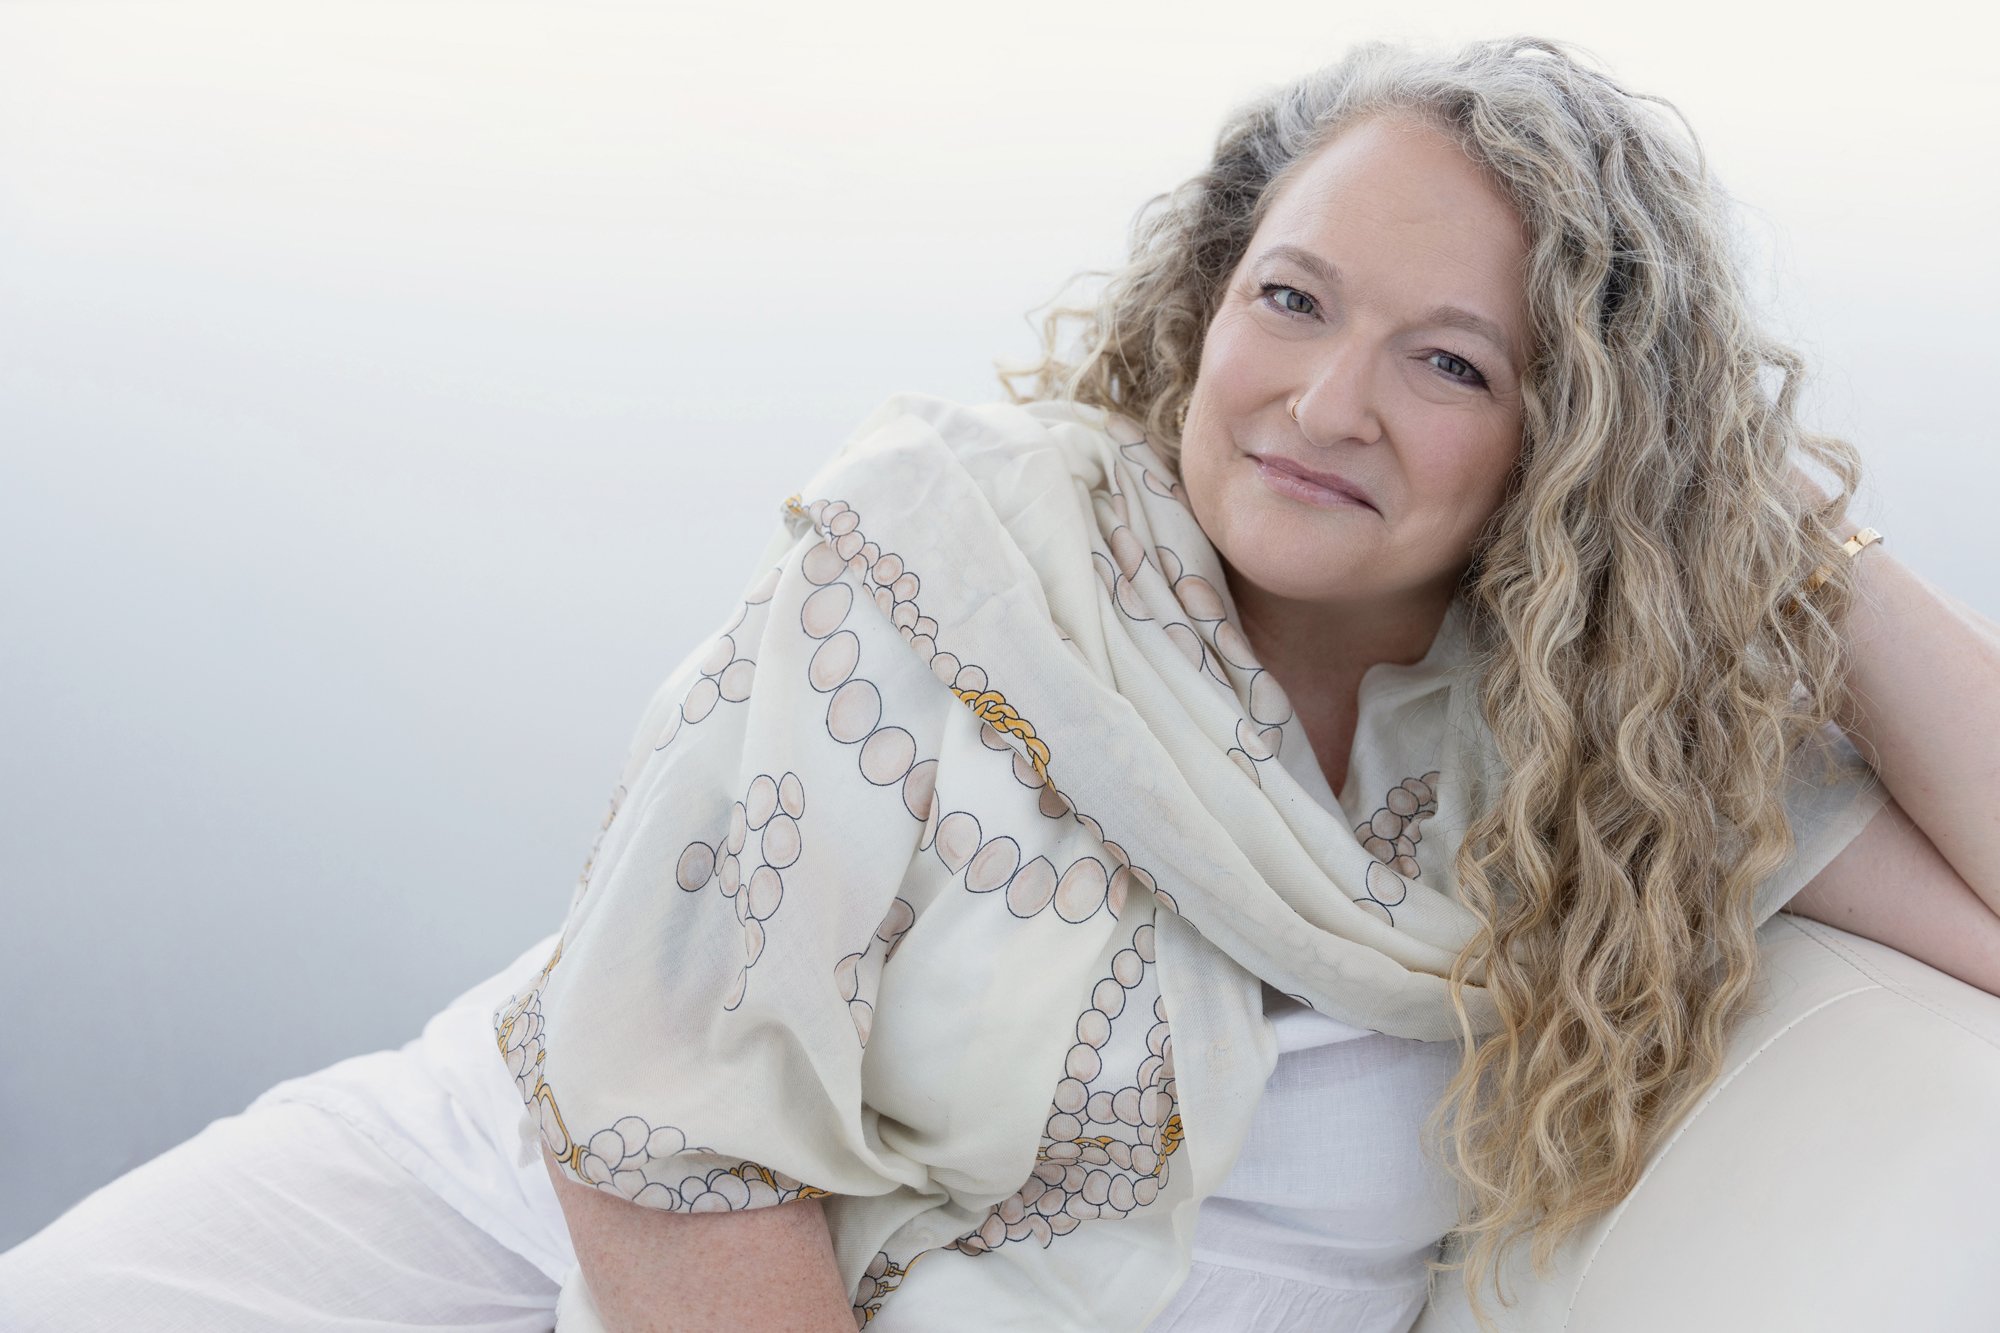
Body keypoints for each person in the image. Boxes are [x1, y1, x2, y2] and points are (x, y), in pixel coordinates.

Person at [5, 32, 1997, 1333]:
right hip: (457, 1237)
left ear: (1568, 441)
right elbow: (674, 1137)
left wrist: (1774, 528)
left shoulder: (1580, 766)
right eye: (1288, 300)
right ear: (1207, 301)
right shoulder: (944, 567)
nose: (1322, 402)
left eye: (1451, 361)